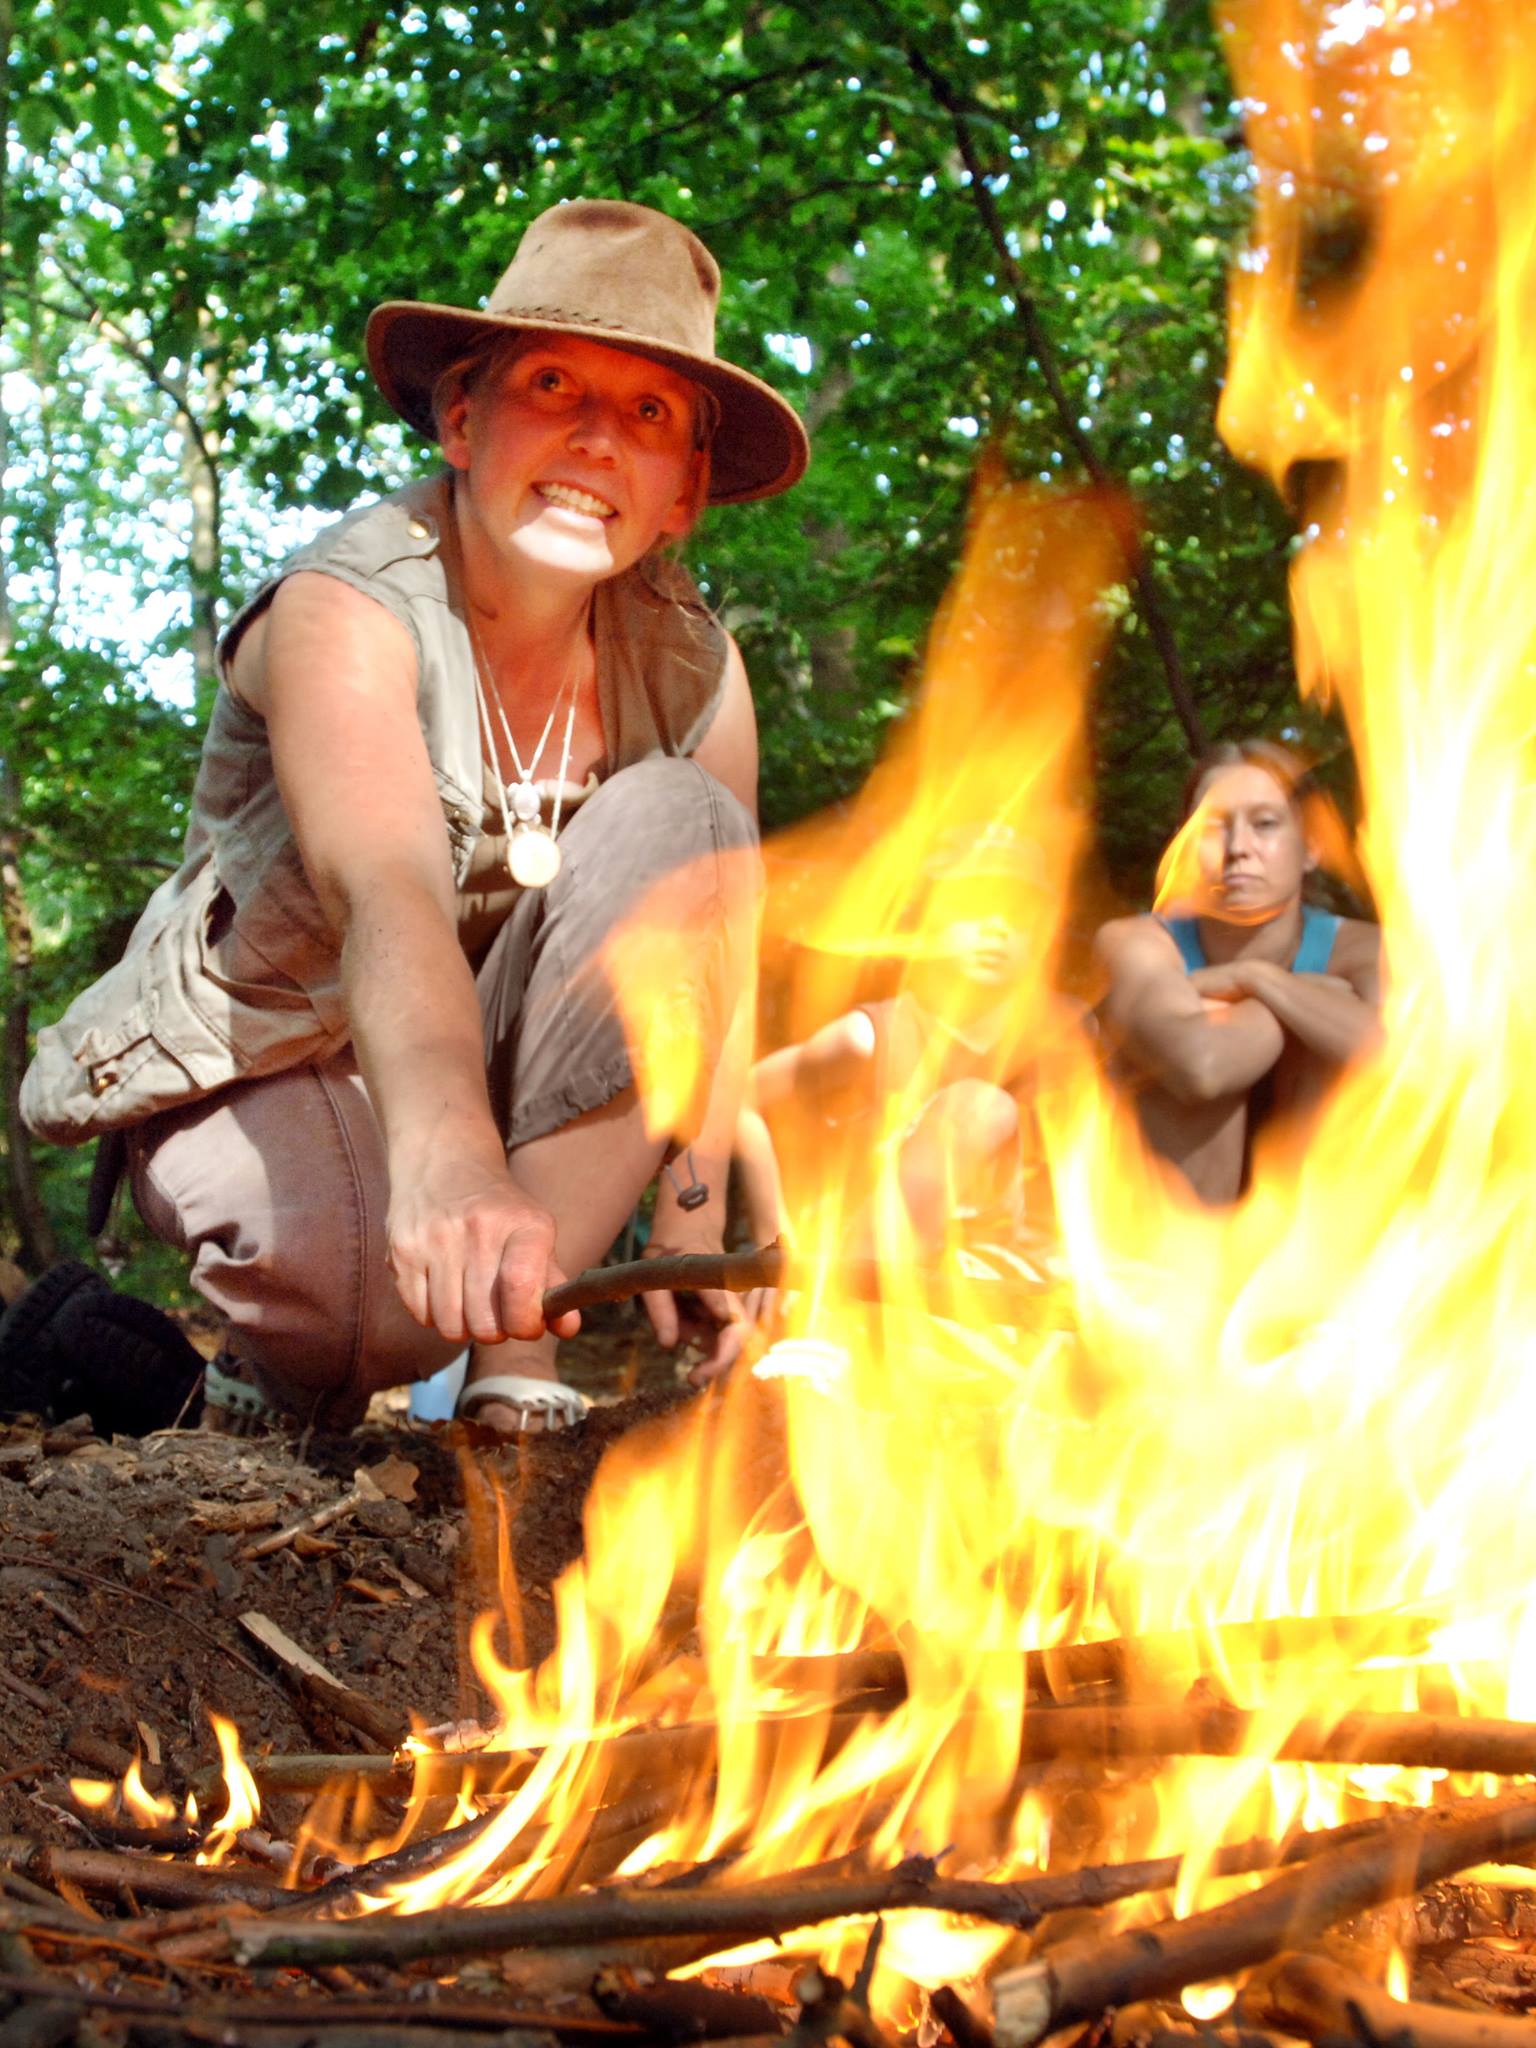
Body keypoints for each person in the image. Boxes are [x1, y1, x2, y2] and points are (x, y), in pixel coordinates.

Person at [22, 198, 809, 1436]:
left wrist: (698, 1200)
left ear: (685, 492)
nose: (598, 438)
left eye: (649, 412)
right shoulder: (348, 604)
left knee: (693, 822)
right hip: (274, 1045)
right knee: (365, 1321)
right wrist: (450, 1165)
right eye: (554, 383)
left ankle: (507, 1360)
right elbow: (384, 889)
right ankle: (224, 1382)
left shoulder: (694, 665)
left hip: (489, 1071)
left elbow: (706, 948)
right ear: (461, 417)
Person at [739, 825, 1057, 1265]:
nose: (997, 927)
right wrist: (770, 1236)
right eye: (974, 905)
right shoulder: (870, 1038)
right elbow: (741, 1099)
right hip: (869, 1281)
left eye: (1018, 912)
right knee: (977, 1108)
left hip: (999, 1288)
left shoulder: (1059, 1045)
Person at [1092, 740, 1382, 1205]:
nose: (1238, 849)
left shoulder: (1360, 947)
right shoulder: (1139, 942)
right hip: (1168, 1218)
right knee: (1222, 1030)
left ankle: (1314, 1264)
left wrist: (1257, 978)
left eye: (1265, 824)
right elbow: (1201, 1068)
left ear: (1310, 848)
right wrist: (1298, 1000)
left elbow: (1407, 1063)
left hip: (1319, 1216)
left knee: (1328, 1049)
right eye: (1213, 828)